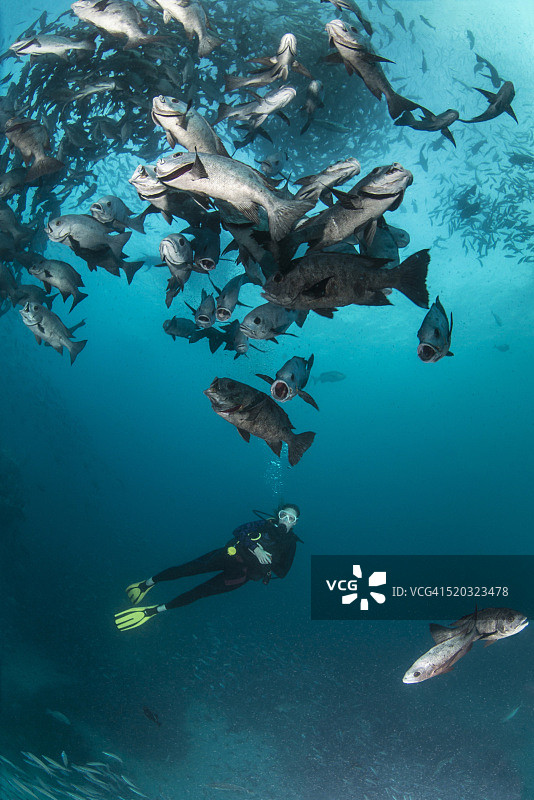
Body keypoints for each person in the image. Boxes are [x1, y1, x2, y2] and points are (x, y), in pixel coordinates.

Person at [114, 503, 301, 631]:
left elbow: (283, 573)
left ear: (295, 523)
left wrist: (270, 561)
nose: (286, 520)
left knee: (199, 593)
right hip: (228, 557)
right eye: (283, 515)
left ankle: (151, 611)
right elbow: (238, 531)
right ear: (278, 514)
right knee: (186, 569)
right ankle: (146, 584)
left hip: (240, 575)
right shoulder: (263, 524)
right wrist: (255, 548)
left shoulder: (290, 544)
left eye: (291, 518)